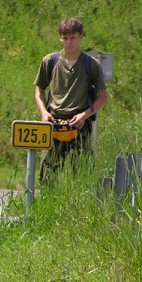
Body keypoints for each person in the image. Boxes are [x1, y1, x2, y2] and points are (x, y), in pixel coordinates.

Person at [34, 17, 108, 183]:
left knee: (83, 175)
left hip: (80, 124)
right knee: (48, 175)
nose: (69, 42)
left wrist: (85, 115)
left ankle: (79, 208)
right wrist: (44, 114)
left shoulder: (91, 64)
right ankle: (47, 206)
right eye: (65, 38)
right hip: (55, 122)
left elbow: (103, 97)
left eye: (73, 37)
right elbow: (39, 90)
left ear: (81, 37)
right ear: (60, 38)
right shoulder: (50, 61)